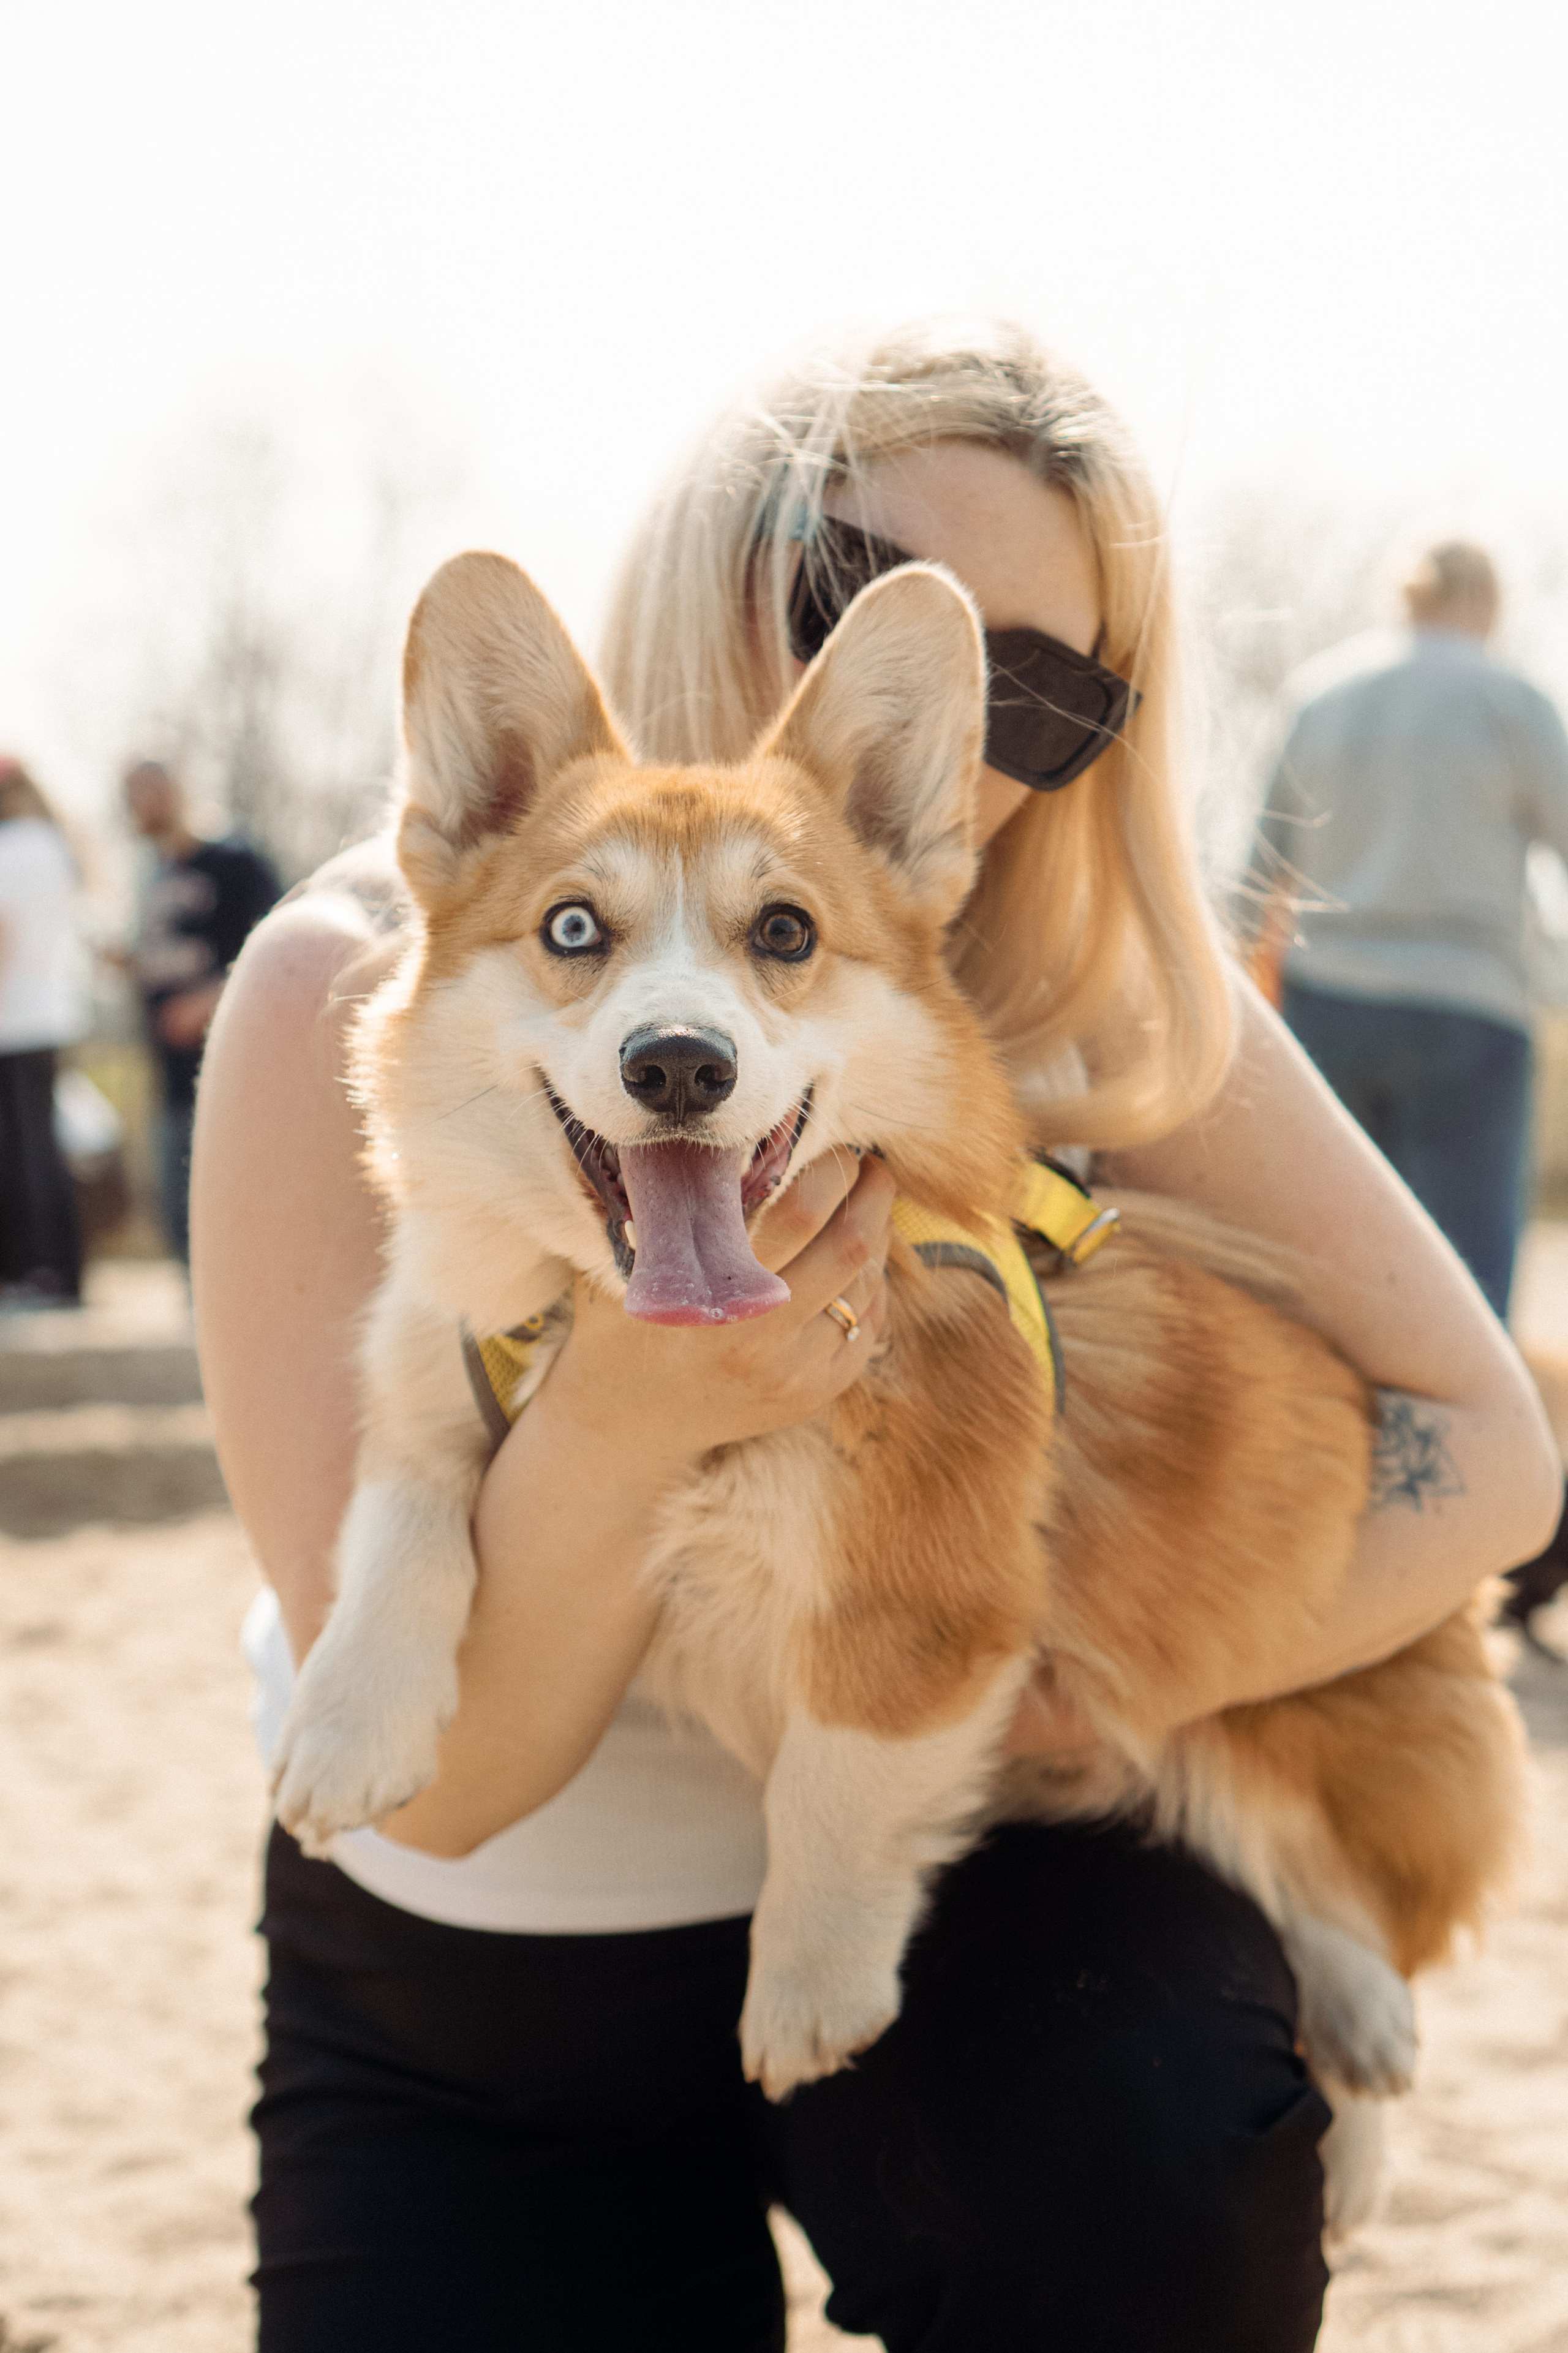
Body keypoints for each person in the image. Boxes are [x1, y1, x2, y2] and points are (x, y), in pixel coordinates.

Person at [191, 325, 1560, 2353]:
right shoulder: (349, 988)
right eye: (855, 595)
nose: (950, 714)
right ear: (712, 541)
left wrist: (1110, 1704)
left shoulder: (1084, 979)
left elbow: (1486, 1446)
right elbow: (446, 1784)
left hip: (967, 1895)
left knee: (1168, 2160)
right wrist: (654, 1394)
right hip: (490, 1986)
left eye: (1055, 691)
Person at [1252, 540, 1568, 1324]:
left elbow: (1256, 872)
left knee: (1326, 1267)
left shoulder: (1318, 696)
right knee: (1463, 1281)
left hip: (1328, 1006)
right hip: (1470, 1009)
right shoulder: (1514, 701)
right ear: (1487, 602)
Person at [124, 760, 281, 1261]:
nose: (136, 806)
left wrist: (211, 999)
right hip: (168, 1072)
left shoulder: (235, 861)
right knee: (176, 1208)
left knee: (238, 1208)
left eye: (145, 791)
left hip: (236, 1067)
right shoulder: (155, 875)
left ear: (174, 791)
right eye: (128, 795)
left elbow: (278, 950)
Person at [0, 757, 89, 1309]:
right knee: (40, 1146)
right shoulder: (54, 845)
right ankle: (60, 1271)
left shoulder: (15, 847)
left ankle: (41, 1271)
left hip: (15, 1017)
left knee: (23, 1152)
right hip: (48, 1013)